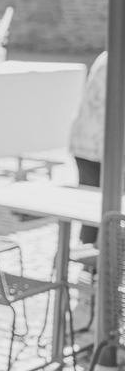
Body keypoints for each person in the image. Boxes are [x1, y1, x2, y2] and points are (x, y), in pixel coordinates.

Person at [68, 50, 110, 332]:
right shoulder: (113, 60)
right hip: (95, 147)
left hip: (100, 145)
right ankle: (91, 282)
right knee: (96, 213)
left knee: (101, 213)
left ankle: (98, 278)